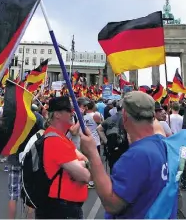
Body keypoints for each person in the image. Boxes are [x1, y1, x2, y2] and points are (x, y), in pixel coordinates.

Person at [80, 91, 169, 219]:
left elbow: (112, 205)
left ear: (125, 115)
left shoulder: (136, 156)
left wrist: (92, 154)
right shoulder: (162, 142)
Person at [36, 96, 90, 218]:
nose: (72, 113)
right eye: (68, 110)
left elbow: (85, 160)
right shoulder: (55, 140)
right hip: (61, 208)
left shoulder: (61, 137)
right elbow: (85, 176)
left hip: (65, 206)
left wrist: (81, 163)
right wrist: (83, 164)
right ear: (57, 115)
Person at [97, 103, 129, 171]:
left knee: (113, 169)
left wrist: (106, 141)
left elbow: (99, 129)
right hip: (124, 149)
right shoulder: (127, 119)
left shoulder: (110, 118)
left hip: (112, 149)